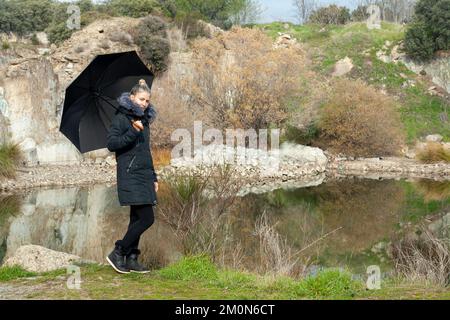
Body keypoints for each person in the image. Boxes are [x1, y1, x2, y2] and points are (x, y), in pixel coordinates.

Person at [105, 79, 158, 274]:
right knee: (146, 218)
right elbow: (112, 144)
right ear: (132, 98)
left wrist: (154, 177)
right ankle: (118, 252)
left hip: (144, 175)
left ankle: (132, 259)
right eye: (141, 99)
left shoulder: (144, 120)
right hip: (130, 174)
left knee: (136, 218)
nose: (144, 104)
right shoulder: (121, 118)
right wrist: (133, 132)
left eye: (147, 101)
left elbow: (146, 152)